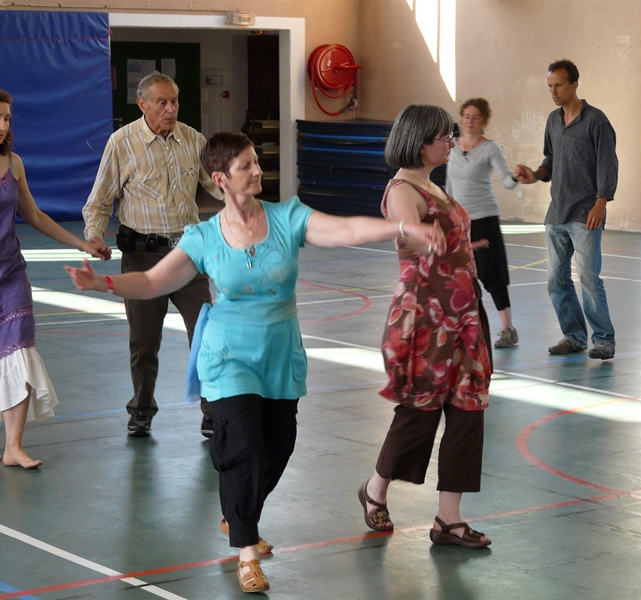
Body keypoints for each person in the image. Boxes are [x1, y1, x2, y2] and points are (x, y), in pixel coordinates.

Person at [65, 131, 445, 593]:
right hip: (227, 354)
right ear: (220, 178)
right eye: (247, 165)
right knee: (243, 446)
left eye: (256, 162)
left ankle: (238, 513)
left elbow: (344, 230)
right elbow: (150, 281)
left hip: (279, 352)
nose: (258, 170)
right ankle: (246, 551)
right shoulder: (204, 237)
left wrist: (401, 228)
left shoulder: (288, 218)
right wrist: (103, 285)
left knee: (278, 446)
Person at [358, 104, 493, 550]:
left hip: (465, 315)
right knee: (420, 411)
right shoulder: (403, 188)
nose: (451, 141)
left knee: (467, 411)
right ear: (420, 142)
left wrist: (461, 245)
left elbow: (442, 239)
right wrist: (422, 235)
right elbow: (406, 227)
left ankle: (448, 519)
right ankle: (375, 488)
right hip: (427, 319)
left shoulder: (433, 184)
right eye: (443, 136)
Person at [82, 71, 224, 438]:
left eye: (174, 101)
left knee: (206, 334)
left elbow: (217, 186)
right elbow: (99, 200)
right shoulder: (122, 143)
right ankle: (141, 409)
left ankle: (213, 414)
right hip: (143, 256)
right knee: (144, 342)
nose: (170, 109)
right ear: (142, 104)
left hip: (189, 255)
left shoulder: (193, 140)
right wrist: (94, 236)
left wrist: (246, 202)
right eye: (161, 102)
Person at [0, 89, 110, 469]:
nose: (3, 126)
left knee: (20, 352)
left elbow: (35, 216)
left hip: (11, 273)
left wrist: (82, 243)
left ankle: (13, 446)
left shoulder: (13, 164)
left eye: (8, 119)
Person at [514, 59, 618, 360]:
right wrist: (534, 175)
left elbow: (608, 164)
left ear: (575, 84)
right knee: (556, 281)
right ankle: (573, 336)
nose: (553, 91)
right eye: (549, 86)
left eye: (558, 84)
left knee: (588, 277)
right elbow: (550, 161)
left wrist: (601, 202)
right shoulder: (552, 120)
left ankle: (604, 340)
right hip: (557, 212)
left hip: (585, 213)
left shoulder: (596, 120)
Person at [446, 97, 520, 349]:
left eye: (476, 116)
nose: (469, 120)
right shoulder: (452, 148)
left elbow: (506, 180)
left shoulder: (490, 149)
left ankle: (508, 330)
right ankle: (462, 327)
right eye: (466, 115)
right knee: (459, 273)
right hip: (460, 220)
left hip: (484, 218)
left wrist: (517, 177)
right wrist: (447, 214)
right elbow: (449, 186)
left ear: (484, 121)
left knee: (492, 275)